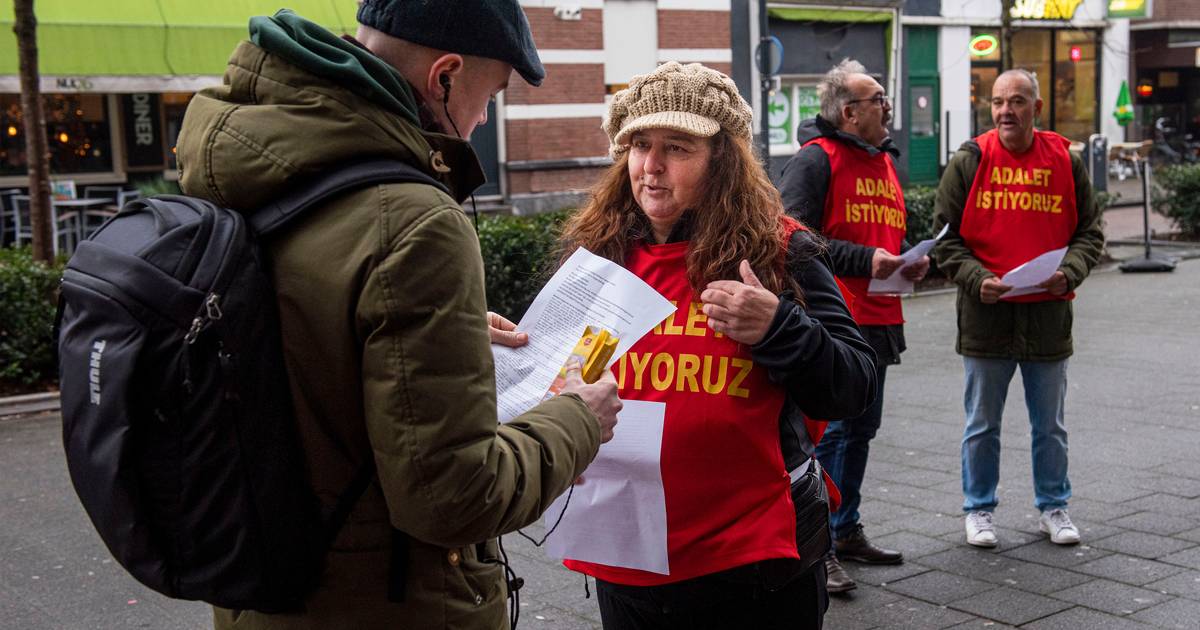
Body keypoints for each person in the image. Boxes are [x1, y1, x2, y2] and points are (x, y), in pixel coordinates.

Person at [174, 1, 622, 628]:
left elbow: (305, 346)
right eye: (490, 95)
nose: (483, 117)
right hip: (385, 602)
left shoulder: (249, 157)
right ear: (445, 75)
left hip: (263, 589)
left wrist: (445, 331)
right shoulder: (414, 224)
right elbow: (454, 498)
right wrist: (578, 419)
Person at [556, 61, 877, 630]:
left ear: (722, 160)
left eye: (677, 148)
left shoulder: (781, 254)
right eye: (639, 146)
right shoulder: (598, 257)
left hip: (754, 571)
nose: (650, 168)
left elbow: (853, 385)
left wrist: (781, 328)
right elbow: (561, 380)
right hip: (626, 561)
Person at [931, 69, 1104, 549]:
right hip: (986, 316)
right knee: (981, 424)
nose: (1007, 110)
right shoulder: (970, 159)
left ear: (1037, 108)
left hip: (1048, 316)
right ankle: (978, 510)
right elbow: (945, 240)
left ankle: (1054, 506)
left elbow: (1090, 231)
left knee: (1050, 424)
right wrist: (975, 278)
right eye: (999, 101)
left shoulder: (1066, 161)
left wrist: (1069, 272)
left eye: (1018, 101)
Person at [777, 59, 923, 594]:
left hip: (881, 318)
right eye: (877, 98)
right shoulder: (816, 161)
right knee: (831, 436)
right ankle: (820, 549)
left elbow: (880, 233)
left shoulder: (884, 163)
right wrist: (867, 260)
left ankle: (847, 528)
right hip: (834, 325)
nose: (887, 106)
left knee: (861, 432)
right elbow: (792, 238)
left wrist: (909, 258)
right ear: (848, 111)